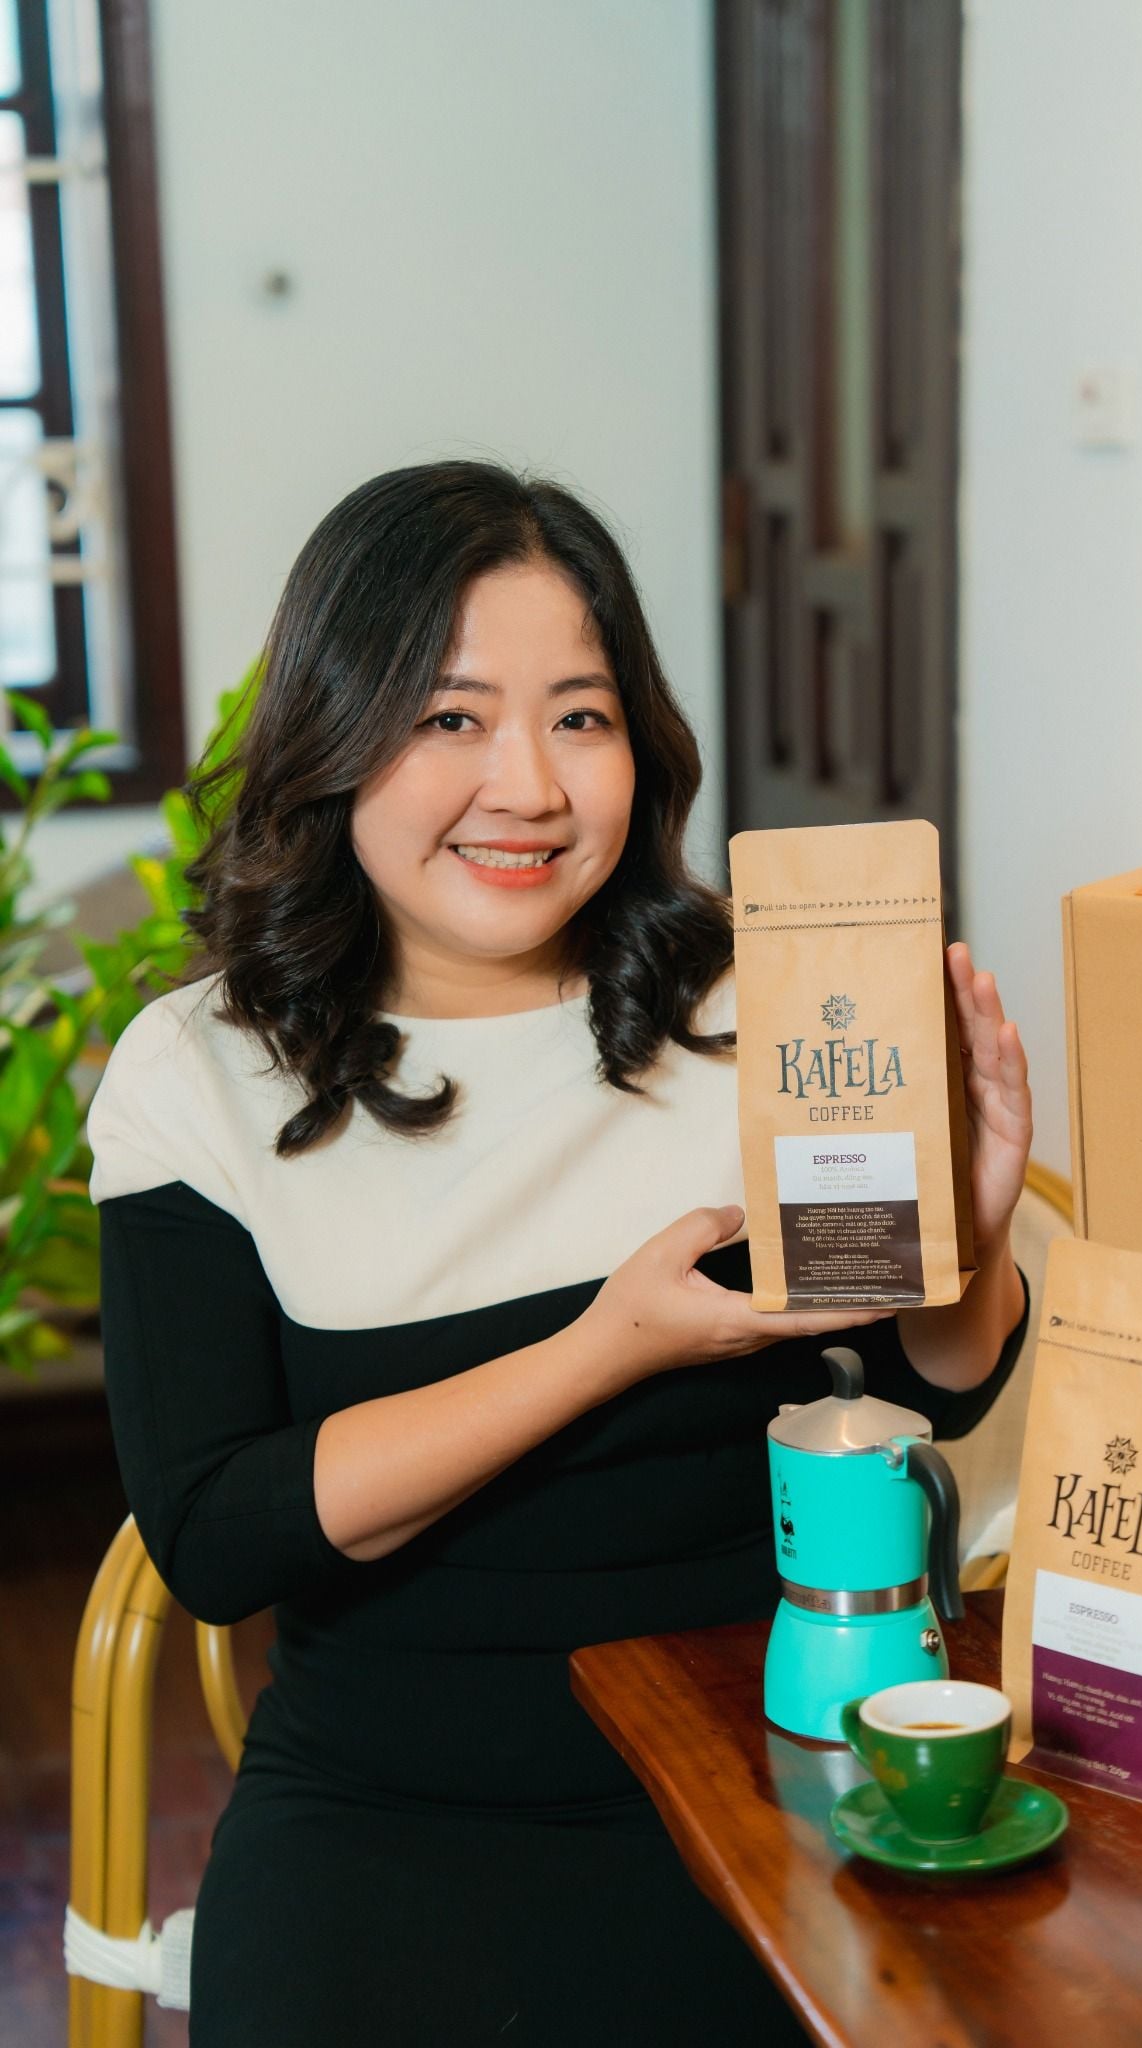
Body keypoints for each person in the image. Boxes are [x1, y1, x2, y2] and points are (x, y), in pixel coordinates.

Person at [88, 460, 1032, 2046]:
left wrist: (972, 1243)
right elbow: (217, 1537)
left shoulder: (761, 1002)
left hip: (778, 1768)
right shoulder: (201, 1074)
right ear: (333, 734)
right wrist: (603, 1349)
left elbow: (927, 1391)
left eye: (578, 716)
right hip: (390, 1815)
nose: (526, 785)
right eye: (449, 717)